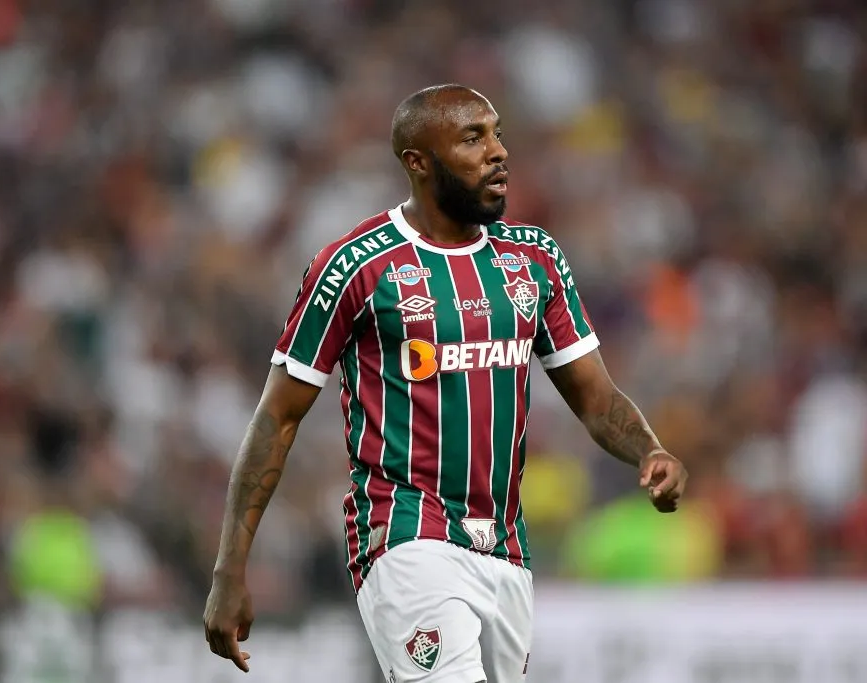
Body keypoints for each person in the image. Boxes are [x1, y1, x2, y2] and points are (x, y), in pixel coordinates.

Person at [203, 84, 688, 682]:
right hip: (405, 532)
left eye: (498, 133)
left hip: (506, 546)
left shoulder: (532, 260)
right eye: (472, 138)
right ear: (418, 162)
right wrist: (230, 570)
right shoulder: (356, 266)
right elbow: (277, 417)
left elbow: (595, 397)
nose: (498, 152)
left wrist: (650, 449)